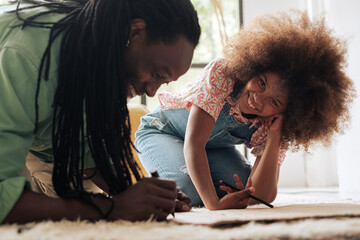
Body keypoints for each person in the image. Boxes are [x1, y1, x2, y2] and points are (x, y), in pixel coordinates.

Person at [0, 0, 206, 224]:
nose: (152, 91)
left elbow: (88, 150)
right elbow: (4, 200)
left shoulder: (97, 61)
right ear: (134, 32)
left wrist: (138, 195)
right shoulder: (27, 57)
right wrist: (113, 207)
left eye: (165, 82)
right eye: (157, 73)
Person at [135, 10, 355, 210]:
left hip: (209, 148)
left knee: (242, 187)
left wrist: (276, 135)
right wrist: (214, 204)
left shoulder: (274, 122)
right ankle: (147, 175)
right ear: (254, 66)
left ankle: (186, 174)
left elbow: (263, 195)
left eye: (275, 102)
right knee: (190, 192)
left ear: (290, 111)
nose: (259, 99)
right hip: (163, 131)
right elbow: (194, 142)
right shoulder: (223, 74)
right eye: (261, 82)